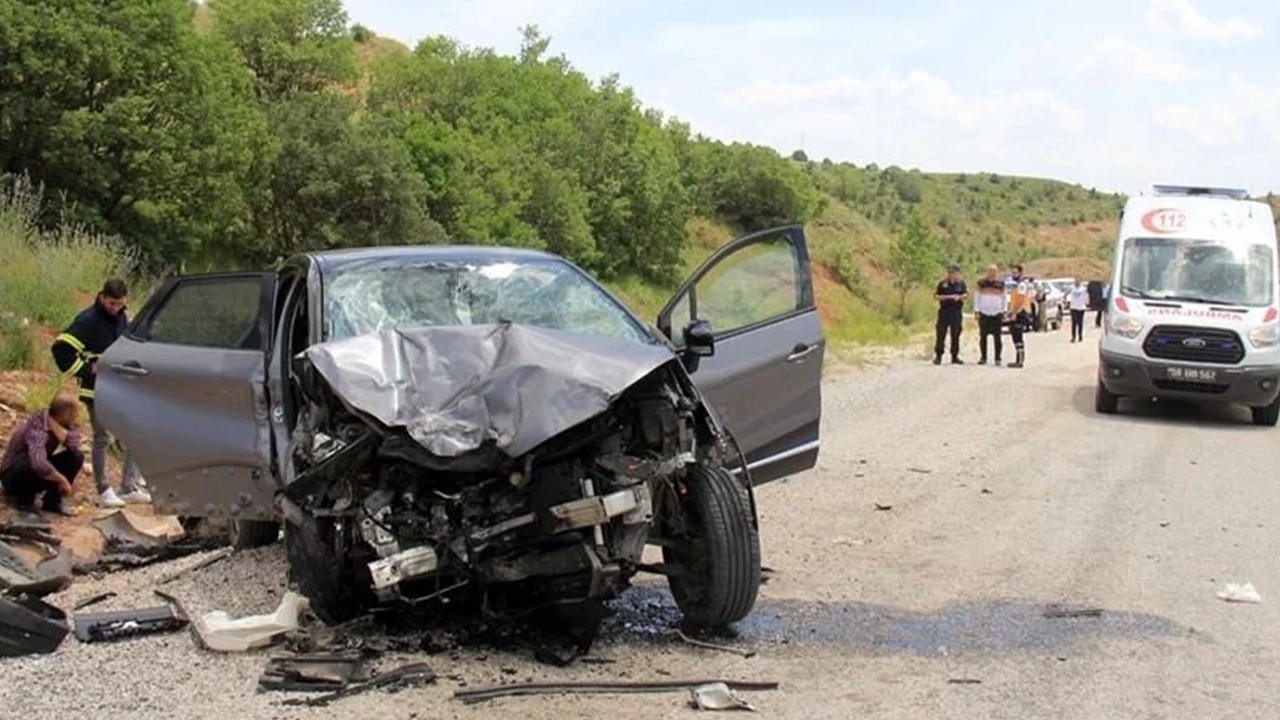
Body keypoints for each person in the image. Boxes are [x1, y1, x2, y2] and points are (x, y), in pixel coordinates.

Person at [51, 279, 150, 508]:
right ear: (103, 297)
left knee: (135, 431)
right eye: (112, 303)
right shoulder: (87, 321)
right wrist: (86, 370)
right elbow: (61, 349)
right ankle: (103, 489)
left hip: (122, 387)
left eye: (119, 304)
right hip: (95, 389)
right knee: (102, 437)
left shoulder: (123, 317)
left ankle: (128, 486)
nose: (115, 308)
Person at [0, 393, 83, 516]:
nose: (76, 417)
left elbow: (74, 443)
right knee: (32, 463)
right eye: (75, 413)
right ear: (66, 414)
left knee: (75, 456)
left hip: (34, 470)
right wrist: (61, 479)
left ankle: (52, 502)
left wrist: (56, 427)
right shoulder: (37, 426)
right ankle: (25, 502)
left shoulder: (58, 423)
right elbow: (38, 463)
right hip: (13, 475)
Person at [933, 264, 968, 365]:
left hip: (956, 311)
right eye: (950, 272)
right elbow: (935, 295)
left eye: (953, 273)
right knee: (941, 333)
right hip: (944, 311)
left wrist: (959, 297)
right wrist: (943, 297)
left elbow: (966, 294)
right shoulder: (942, 284)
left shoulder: (961, 284)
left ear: (958, 273)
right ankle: (938, 356)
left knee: (956, 333)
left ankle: (955, 356)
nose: (951, 274)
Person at [974, 264, 1006, 365]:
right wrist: (976, 311)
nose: (992, 273)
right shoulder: (981, 283)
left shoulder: (1001, 284)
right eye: (990, 271)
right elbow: (977, 297)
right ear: (987, 272)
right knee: (983, 336)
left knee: (998, 337)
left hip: (997, 313)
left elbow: (1004, 298)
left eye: (994, 271)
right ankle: (983, 357)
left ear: (997, 272)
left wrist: (1004, 311)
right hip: (984, 313)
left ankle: (998, 358)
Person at [1006, 267, 1034, 368]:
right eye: (1012, 273)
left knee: (1018, 337)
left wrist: (1014, 313)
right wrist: (1009, 312)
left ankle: (1020, 361)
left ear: (1020, 273)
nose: (1013, 274)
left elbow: (1021, 301)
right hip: (1015, 312)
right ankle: (1018, 360)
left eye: (1015, 273)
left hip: (1020, 313)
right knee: (1015, 336)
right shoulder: (1015, 285)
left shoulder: (1022, 285)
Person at [1068, 277, 1089, 342]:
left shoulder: (1083, 289)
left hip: (1081, 307)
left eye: (1078, 281)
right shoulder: (1071, 288)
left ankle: (1080, 335)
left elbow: (1087, 294)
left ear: (1080, 282)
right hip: (1073, 307)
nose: (1076, 282)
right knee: (1074, 322)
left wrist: (1087, 300)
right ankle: (1073, 337)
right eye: (1075, 281)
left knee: (1080, 322)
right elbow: (1066, 293)